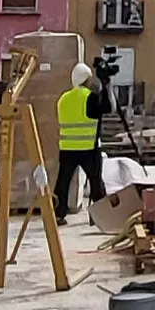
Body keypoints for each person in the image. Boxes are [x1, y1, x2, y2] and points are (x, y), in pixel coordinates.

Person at [51, 63, 109, 219]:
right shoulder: (90, 97)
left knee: (63, 182)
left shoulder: (63, 99)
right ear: (86, 79)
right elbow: (108, 108)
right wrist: (105, 85)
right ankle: (102, 216)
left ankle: (58, 213)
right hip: (88, 148)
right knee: (96, 183)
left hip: (67, 148)